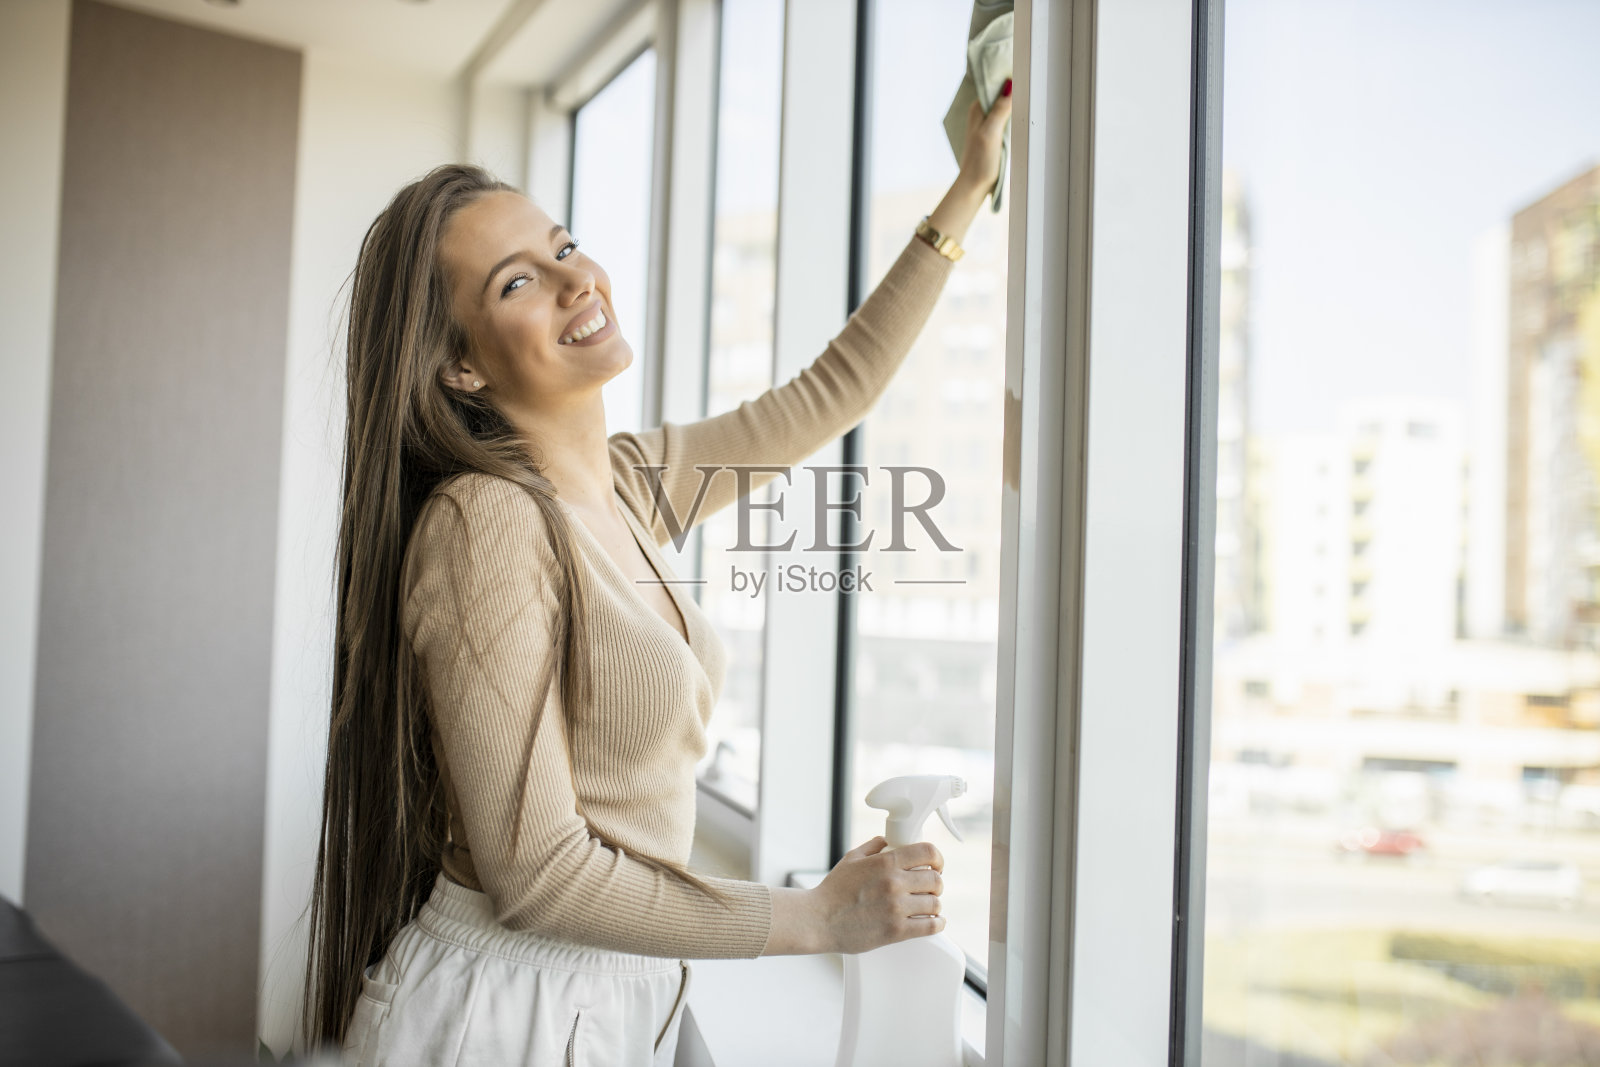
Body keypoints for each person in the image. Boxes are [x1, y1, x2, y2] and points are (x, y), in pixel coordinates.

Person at [303, 79, 1014, 1067]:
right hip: (508, 1014)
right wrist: (810, 917)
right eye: (516, 283)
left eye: (562, 245)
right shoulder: (484, 523)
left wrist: (968, 186)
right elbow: (538, 871)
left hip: (613, 994)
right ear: (458, 367)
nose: (574, 279)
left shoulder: (627, 485)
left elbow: (834, 389)